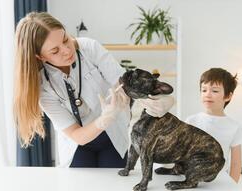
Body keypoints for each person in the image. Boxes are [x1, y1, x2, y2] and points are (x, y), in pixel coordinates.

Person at [13, 12, 174, 168]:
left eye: (65, 39)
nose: (67, 50)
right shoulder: (43, 87)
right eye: (55, 51)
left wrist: (154, 97)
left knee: (113, 186)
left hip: (113, 135)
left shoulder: (89, 48)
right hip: (77, 143)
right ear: (40, 57)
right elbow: (78, 136)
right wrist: (104, 119)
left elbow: (124, 83)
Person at [185, 68, 242, 183]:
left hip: (219, 180)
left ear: (228, 96)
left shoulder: (234, 127)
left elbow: (236, 163)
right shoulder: (191, 121)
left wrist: (232, 189)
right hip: (191, 178)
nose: (208, 94)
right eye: (204, 90)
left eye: (215, 91)